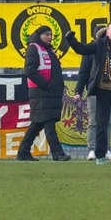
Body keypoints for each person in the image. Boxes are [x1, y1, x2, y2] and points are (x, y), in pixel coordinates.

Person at [63, 22, 111, 164]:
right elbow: (81, 49)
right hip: (104, 91)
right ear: (107, 33)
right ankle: (100, 155)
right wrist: (71, 38)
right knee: (101, 124)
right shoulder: (99, 45)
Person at [17, 25, 70, 162]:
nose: (50, 37)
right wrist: (47, 85)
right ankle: (57, 153)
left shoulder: (48, 49)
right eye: (46, 34)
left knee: (38, 123)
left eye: (51, 35)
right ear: (39, 35)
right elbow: (30, 71)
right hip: (41, 92)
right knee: (49, 122)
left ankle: (23, 152)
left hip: (48, 92)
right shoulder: (33, 48)